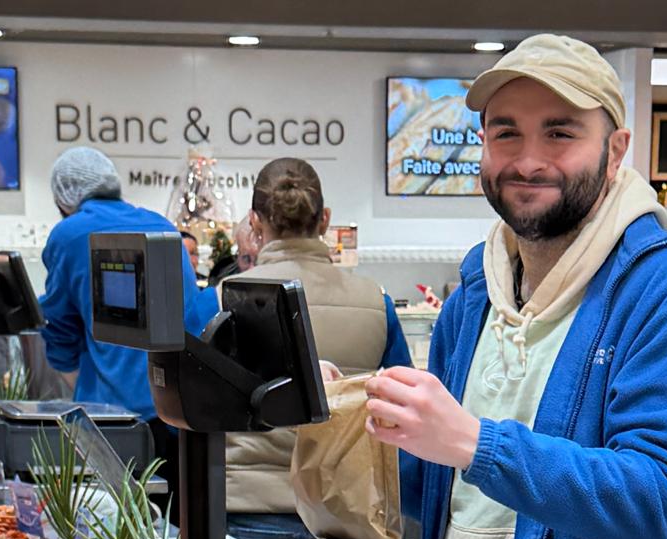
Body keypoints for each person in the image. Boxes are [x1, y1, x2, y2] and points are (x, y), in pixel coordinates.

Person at [365, 35, 667, 539]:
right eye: (507, 134)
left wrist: (478, 443)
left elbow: (657, 499)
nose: (528, 160)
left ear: (615, 149)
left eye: (560, 133)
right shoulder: (478, 289)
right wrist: (356, 418)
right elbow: (436, 496)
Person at [226, 158, 411, 514]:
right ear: (324, 219)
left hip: (242, 504)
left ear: (253, 221)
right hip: (342, 509)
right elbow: (401, 409)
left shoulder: (220, 297)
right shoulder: (376, 302)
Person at [40, 146, 217, 487]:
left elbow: (59, 326)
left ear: (62, 200)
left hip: (109, 418)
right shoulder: (162, 224)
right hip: (176, 409)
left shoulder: (68, 234)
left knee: (115, 527)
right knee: (171, 527)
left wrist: (78, 381)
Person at [209, 217, 260, 286]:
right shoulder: (221, 285)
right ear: (237, 256)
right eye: (246, 259)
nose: (252, 268)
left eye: (260, 260)